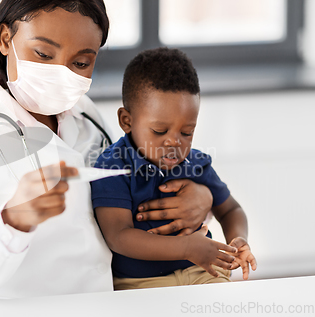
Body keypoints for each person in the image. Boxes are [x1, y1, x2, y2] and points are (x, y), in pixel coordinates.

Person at [0, 0, 216, 303]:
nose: (61, 73)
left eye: (81, 63)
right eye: (43, 54)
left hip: (115, 299)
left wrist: (202, 197)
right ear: (6, 39)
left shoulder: (87, 115)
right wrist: (12, 222)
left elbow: (130, 194)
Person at [91, 47, 257, 290]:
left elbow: (231, 209)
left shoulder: (196, 163)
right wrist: (188, 247)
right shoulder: (112, 165)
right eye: (159, 131)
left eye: (187, 132)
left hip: (203, 270)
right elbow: (118, 236)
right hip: (141, 284)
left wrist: (238, 240)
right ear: (127, 121)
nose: (174, 142)